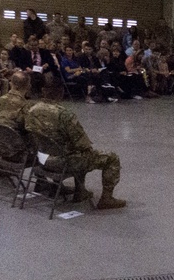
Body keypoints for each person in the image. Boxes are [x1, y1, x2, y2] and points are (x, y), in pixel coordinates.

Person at [24, 76, 126, 209]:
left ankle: (80, 191)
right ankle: (106, 198)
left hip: (41, 160)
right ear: (61, 92)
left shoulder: (30, 110)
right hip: (63, 163)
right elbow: (83, 144)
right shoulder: (65, 115)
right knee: (110, 157)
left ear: (43, 91)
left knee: (74, 152)